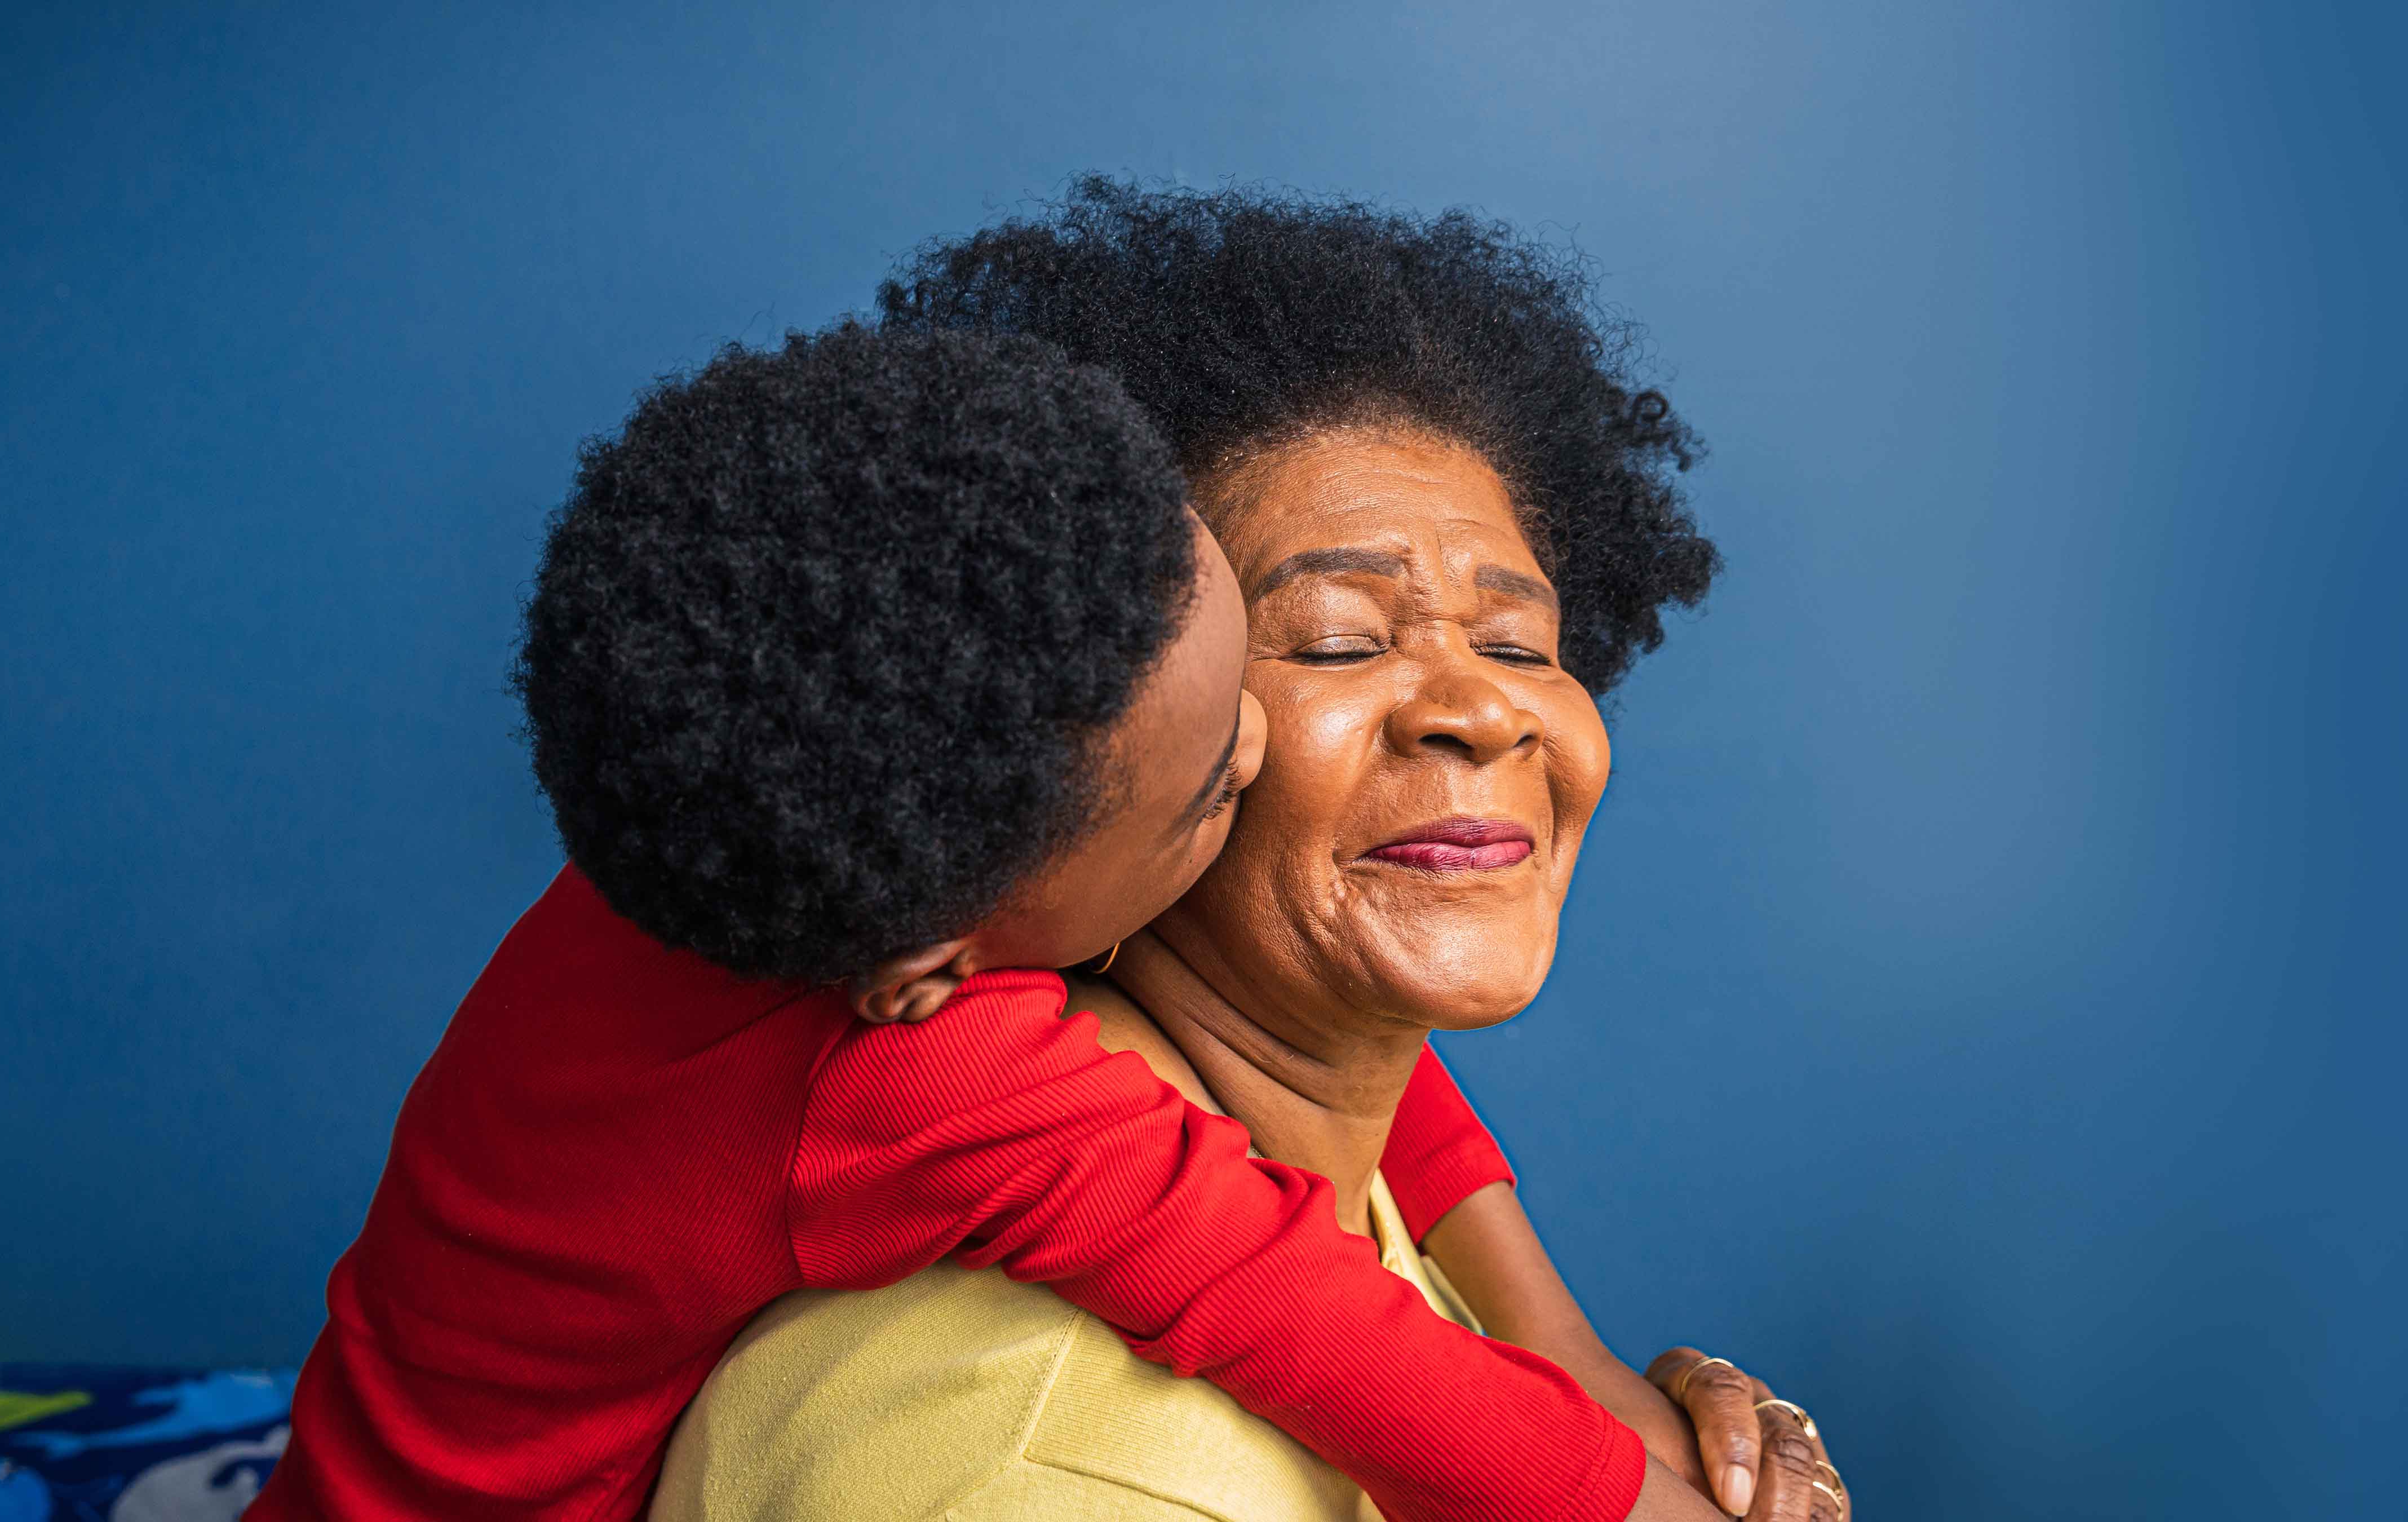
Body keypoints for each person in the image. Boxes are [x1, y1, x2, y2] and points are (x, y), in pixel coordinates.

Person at [253, 321, 1709, 1522]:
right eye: (1214, 786)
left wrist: (1563, 1341)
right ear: (935, 968)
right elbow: (1319, 1332)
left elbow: (1341, 1047)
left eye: (1521, 644)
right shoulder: (928, 1086)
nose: (1256, 751)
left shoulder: (778, 796)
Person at [647, 181, 1848, 1522]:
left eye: (1520, 648)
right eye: (1336, 640)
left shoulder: (1310, 1115)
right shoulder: (1040, 1453)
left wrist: (1564, 1363)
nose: (1482, 705)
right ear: (1076, 744)